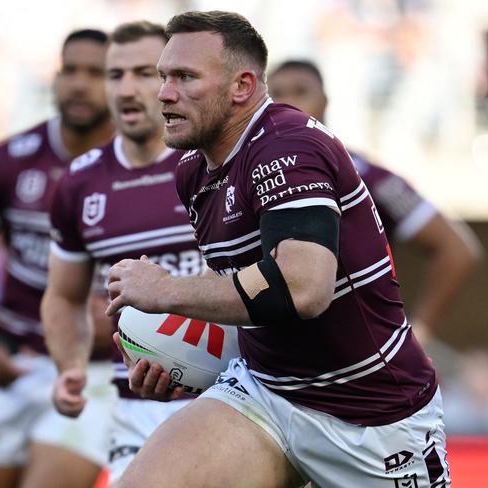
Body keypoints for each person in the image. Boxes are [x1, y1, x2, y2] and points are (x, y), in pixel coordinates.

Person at [107, 10, 451, 488]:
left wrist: (163, 291)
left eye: (184, 77)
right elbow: (233, 285)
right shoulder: (193, 170)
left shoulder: (289, 147)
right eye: (164, 77)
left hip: (371, 418)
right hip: (265, 393)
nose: (163, 93)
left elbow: (303, 290)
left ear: (242, 86)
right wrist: (175, 360)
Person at [0, 29, 117, 488]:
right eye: (69, 70)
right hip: (14, 364)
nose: (79, 84)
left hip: (93, 370)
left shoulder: (151, 172)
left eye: (96, 72)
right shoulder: (10, 161)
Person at [40, 21, 205, 484]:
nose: (127, 89)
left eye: (144, 73)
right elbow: (64, 296)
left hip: (232, 393)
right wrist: (70, 365)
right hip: (134, 402)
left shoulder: (213, 163)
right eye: (115, 75)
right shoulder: (80, 181)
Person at [267, 59, 482, 345]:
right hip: (269, 352)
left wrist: (418, 335)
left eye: (301, 91)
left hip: (352, 351)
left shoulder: (363, 175)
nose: (290, 103)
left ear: (325, 102)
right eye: (278, 94)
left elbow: (457, 250)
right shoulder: (241, 175)